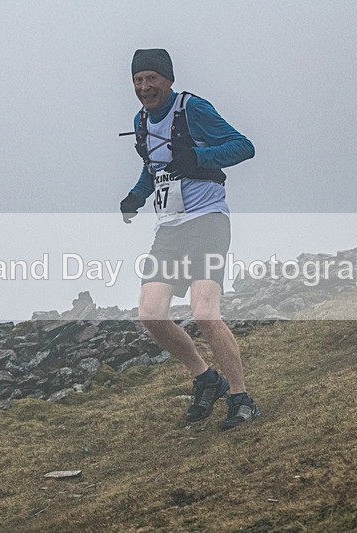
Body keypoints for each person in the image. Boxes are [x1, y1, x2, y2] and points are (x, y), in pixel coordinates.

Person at [119, 48, 259, 429]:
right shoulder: (141, 120)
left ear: (168, 79)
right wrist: (136, 196)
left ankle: (241, 398)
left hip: (207, 222)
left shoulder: (191, 109)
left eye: (151, 78)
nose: (144, 87)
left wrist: (199, 157)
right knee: (151, 314)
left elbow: (244, 147)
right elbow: (153, 167)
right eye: (137, 80)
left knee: (205, 313)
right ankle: (206, 378)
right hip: (169, 229)